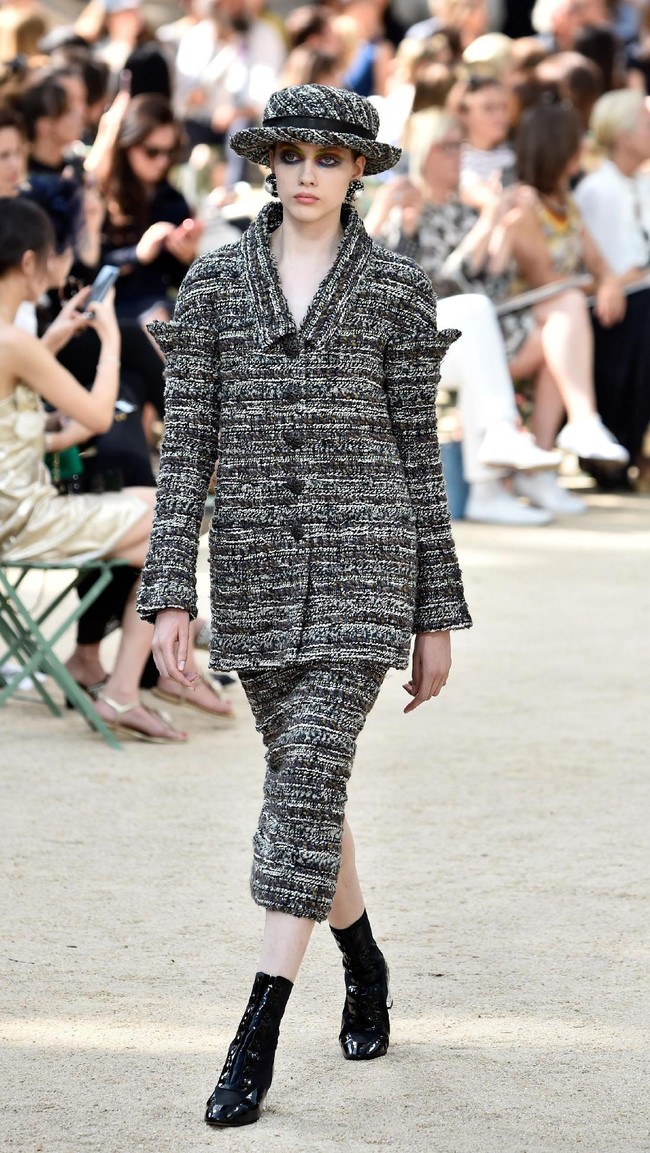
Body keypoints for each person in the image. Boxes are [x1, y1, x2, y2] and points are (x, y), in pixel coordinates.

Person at [136, 83, 472, 1127]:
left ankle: (256, 1032)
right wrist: (169, 591)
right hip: (253, 570)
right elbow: (185, 453)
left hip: (368, 566)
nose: (308, 174)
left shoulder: (395, 289)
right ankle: (362, 959)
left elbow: (419, 459)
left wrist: (434, 612)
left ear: (359, 169)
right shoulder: (213, 283)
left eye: (328, 157)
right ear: (268, 166)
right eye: (291, 155)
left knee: (307, 776)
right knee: (307, 787)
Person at [0, 196, 188, 742]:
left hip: (16, 512)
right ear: (30, 262)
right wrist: (111, 339)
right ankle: (123, 692)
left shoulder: (16, 343)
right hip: (21, 521)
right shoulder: (13, 343)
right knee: (170, 527)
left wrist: (56, 336)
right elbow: (98, 414)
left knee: (157, 537)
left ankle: (122, 688)